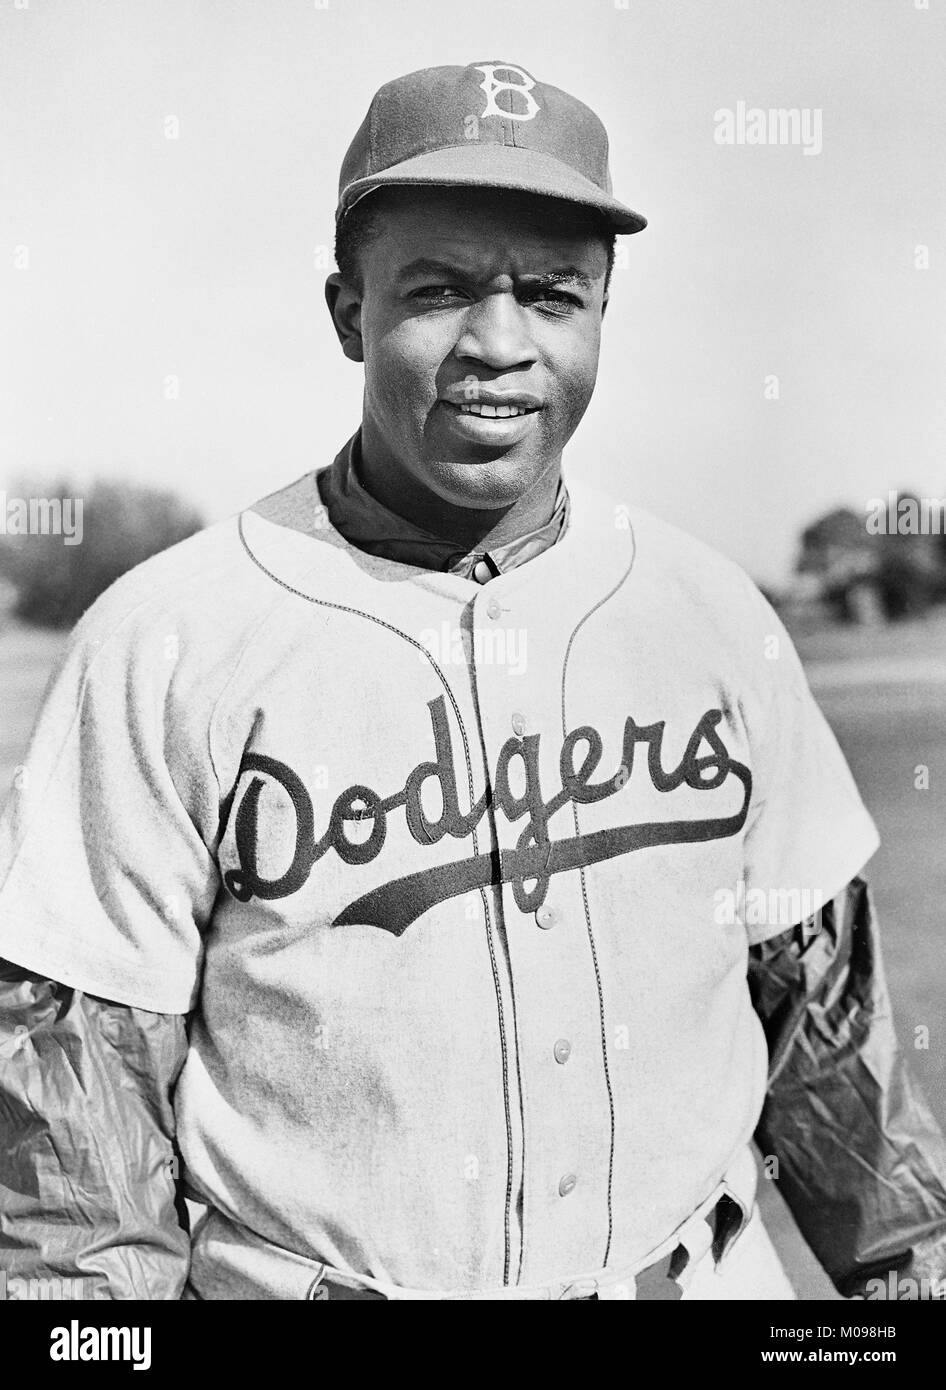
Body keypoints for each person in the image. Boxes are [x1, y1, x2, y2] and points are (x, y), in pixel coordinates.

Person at [1, 59, 945, 1302]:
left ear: (604, 310)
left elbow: (834, 1055)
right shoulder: (167, 638)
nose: (498, 347)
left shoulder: (710, 614)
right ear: (347, 310)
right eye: (439, 289)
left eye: (552, 295)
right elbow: (73, 1170)